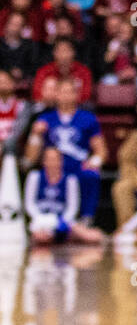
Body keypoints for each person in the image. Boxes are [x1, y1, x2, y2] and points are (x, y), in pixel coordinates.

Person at [24, 77, 105, 223]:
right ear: (56, 94)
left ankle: (86, 218)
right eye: (62, 92)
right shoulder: (45, 118)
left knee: (91, 174)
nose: (66, 96)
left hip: (77, 165)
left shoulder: (88, 119)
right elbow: (31, 158)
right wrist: (35, 135)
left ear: (76, 95)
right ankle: (39, 218)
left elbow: (101, 150)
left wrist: (95, 161)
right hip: (53, 168)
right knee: (36, 176)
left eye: (70, 92)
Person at [25, 147, 102, 245]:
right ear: (43, 161)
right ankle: (61, 238)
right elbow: (29, 204)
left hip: (63, 221)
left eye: (55, 159)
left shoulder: (70, 179)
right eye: (49, 159)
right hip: (40, 221)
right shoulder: (34, 176)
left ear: (61, 161)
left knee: (94, 237)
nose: (52, 163)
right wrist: (42, 220)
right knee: (41, 237)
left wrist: (58, 222)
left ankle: (63, 237)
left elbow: (72, 208)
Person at [32, 38, 93, 106]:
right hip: (49, 105)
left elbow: (86, 95)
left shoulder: (83, 71)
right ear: (54, 53)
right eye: (59, 51)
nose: (63, 55)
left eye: (66, 50)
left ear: (73, 52)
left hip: (77, 107)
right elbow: (37, 94)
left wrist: (67, 99)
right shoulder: (44, 71)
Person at [0, 10, 39, 83]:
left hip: (23, 84)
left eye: (18, 24)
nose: (14, 28)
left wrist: (22, 73)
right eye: (12, 23)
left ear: (23, 27)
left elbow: (34, 67)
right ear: (7, 24)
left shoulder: (30, 46)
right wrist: (8, 72)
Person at [0, 69, 31, 156]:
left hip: (15, 146)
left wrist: (5, 142)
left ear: (12, 84)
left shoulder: (22, 105)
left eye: (5, 81)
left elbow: (20, 130)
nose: (2, 85)